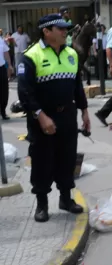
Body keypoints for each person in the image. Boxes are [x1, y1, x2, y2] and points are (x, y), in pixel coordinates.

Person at [17, 14, 91, 222]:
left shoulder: (71, 54)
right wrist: (40, 116)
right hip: (42, 119)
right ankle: (42, 204)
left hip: (67, 115)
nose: (65, 32)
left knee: (67, 159)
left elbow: (77, 86)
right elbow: (25, 92)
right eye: (60, 29)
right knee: (42, 160)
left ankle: (66, 199)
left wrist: (84, 112)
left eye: (66, 28)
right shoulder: (31, 56)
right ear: (46, 31)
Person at [1, 35, 13, 120]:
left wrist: (9, 65)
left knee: (4, 90)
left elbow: (6, 54)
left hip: (1, 68)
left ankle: (3, 111)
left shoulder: (1, 41)